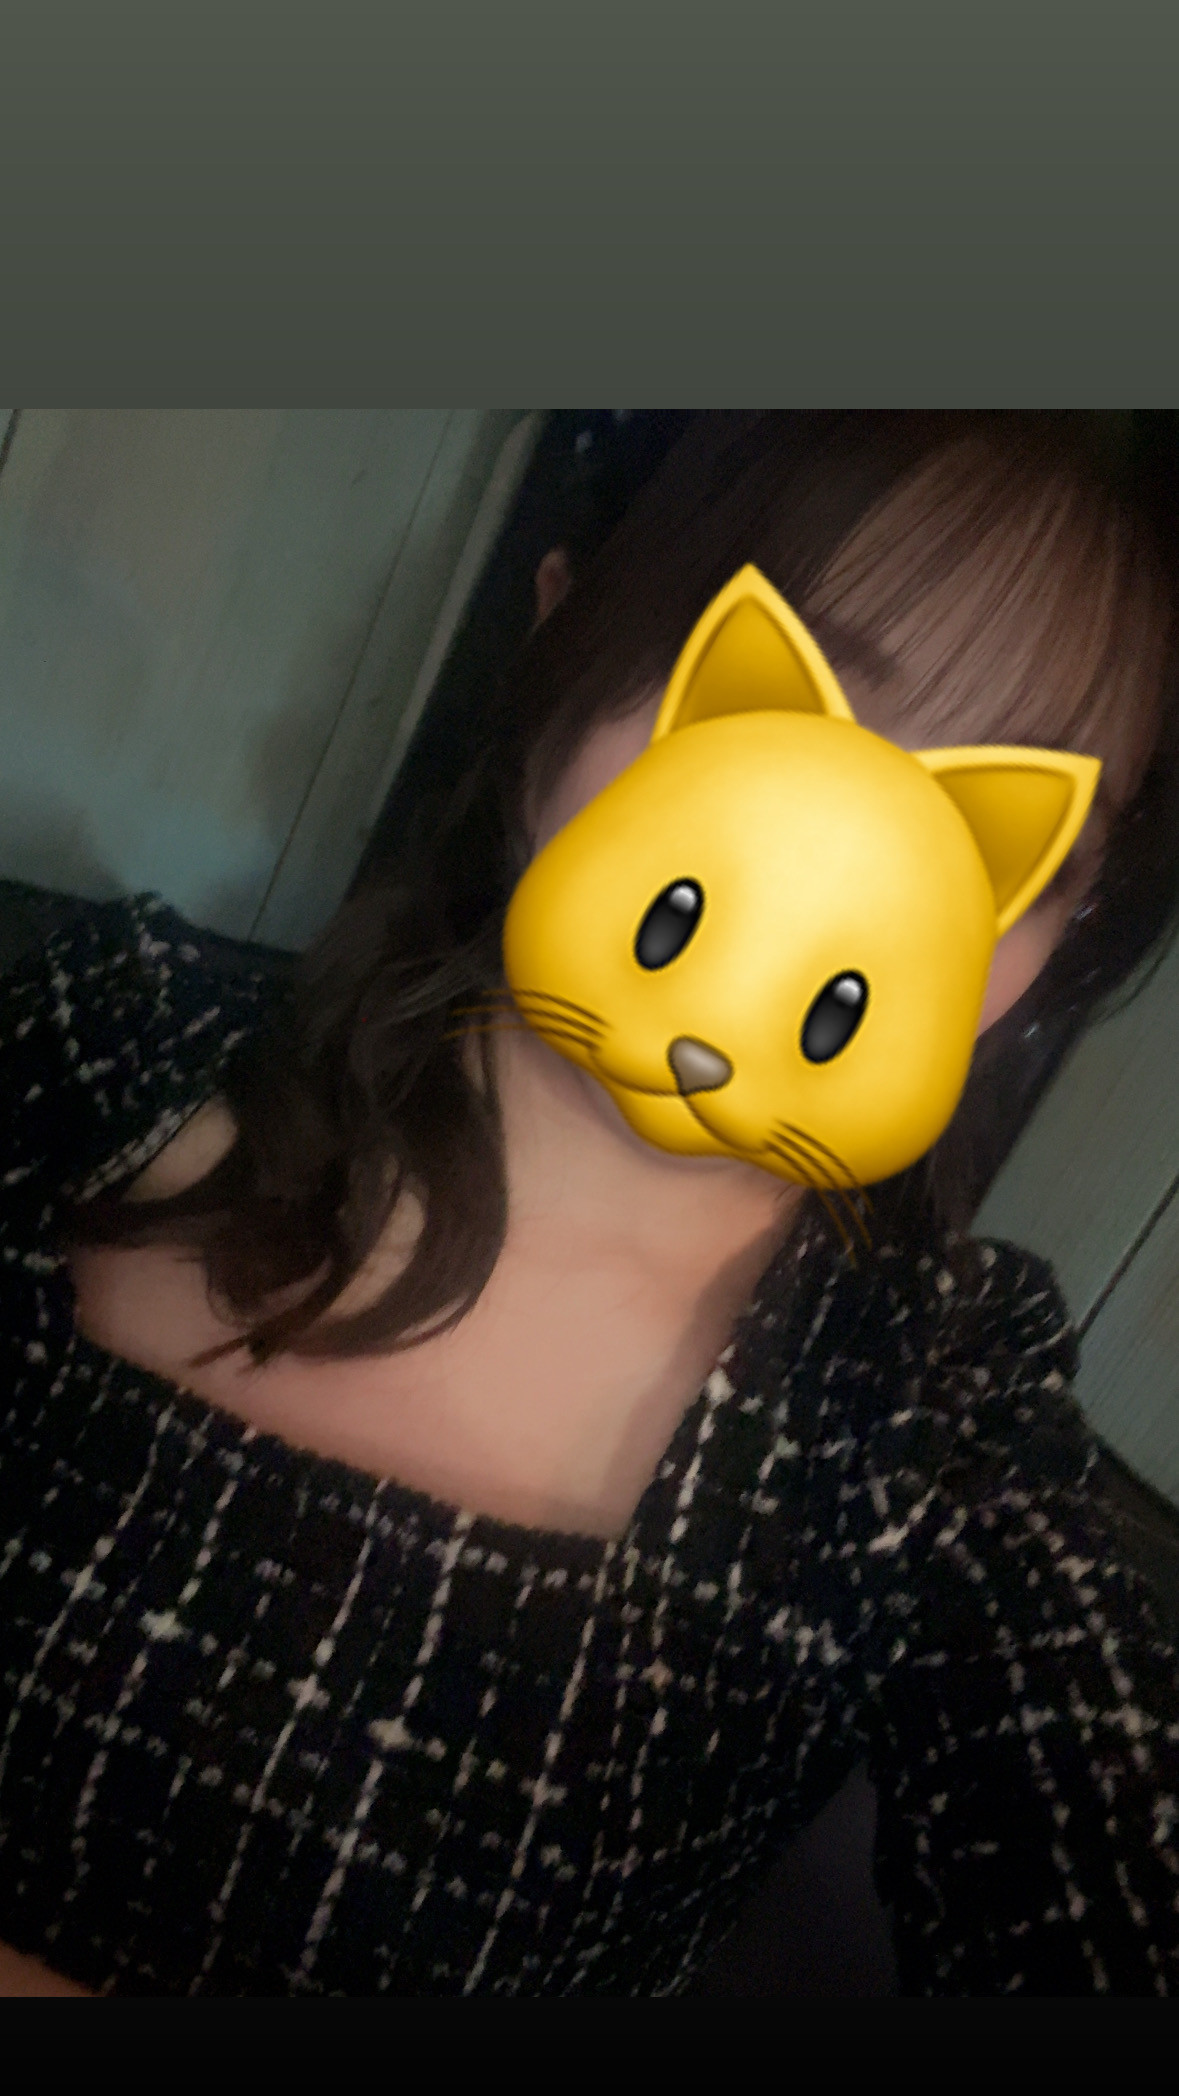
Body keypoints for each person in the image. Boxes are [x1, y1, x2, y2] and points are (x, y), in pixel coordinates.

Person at [1, 411, 1178, 1996]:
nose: (838, 870)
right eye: (772, 708)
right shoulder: (108, 1043)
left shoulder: (931, 1405)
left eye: (994, 845)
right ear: (565, 629)